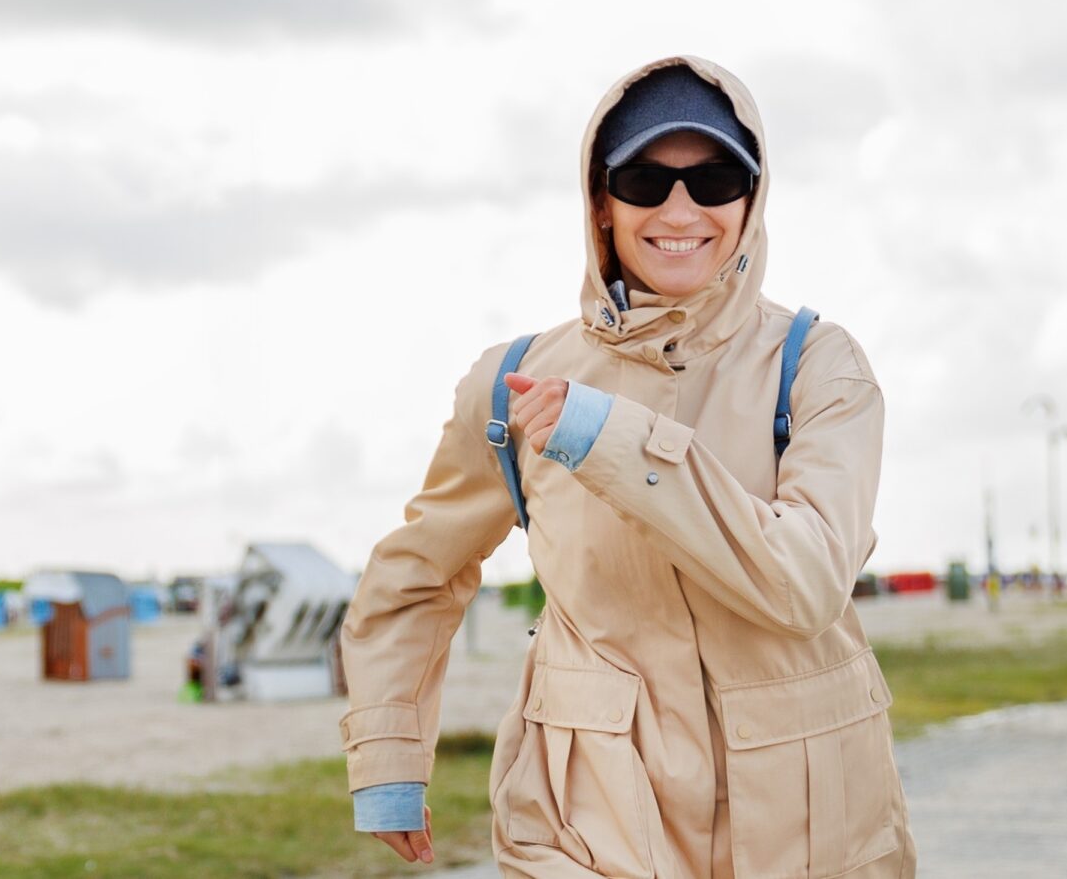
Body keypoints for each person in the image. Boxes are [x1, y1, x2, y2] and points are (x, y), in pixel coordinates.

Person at [338, 58, 914, 876]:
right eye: (645, 180)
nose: (680, 210)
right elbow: (418, 574)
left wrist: (612, 440)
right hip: (585, 822)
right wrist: (388, 756)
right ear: (601, 203)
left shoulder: (820, 365)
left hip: (808, 826)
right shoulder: (512, 384)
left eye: (714, 179)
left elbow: (807, 584)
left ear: (750, 200)